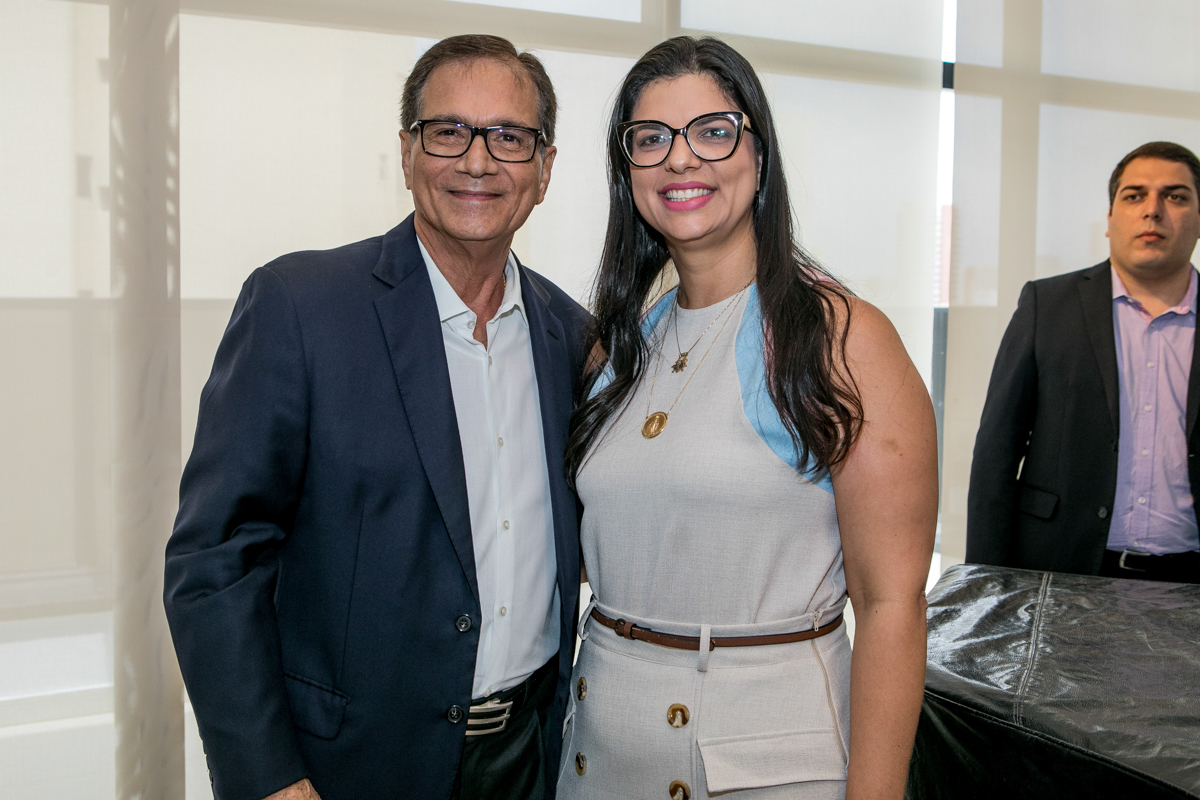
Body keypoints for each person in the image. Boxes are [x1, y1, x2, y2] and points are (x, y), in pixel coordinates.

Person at [164, 34, 590, 800]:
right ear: (407, 151)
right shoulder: (302, 308)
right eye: (449, 131)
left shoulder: (574, 337)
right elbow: (215, 562)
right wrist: (268, 778)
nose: (477, 160)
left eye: (508, 136)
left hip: (531, 759)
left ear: (545, 168)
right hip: (348, 769)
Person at [559, 37, 937, 800]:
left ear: (759, 155)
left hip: (765, 767)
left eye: (713, 131)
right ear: (627, 171)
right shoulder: (619, 344)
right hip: (598, 755)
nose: (680, 158)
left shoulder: (842, 338)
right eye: (650, 139)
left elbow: (890, 604)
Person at [968, 141, 1200, 584]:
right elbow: (997, 451)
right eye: (1134, 195)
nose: (1153, 210)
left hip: (1190, 579)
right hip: (1061, 568)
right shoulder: (1047, 305)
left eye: (1175, 196)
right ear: (1110, 219)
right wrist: (986, 582)